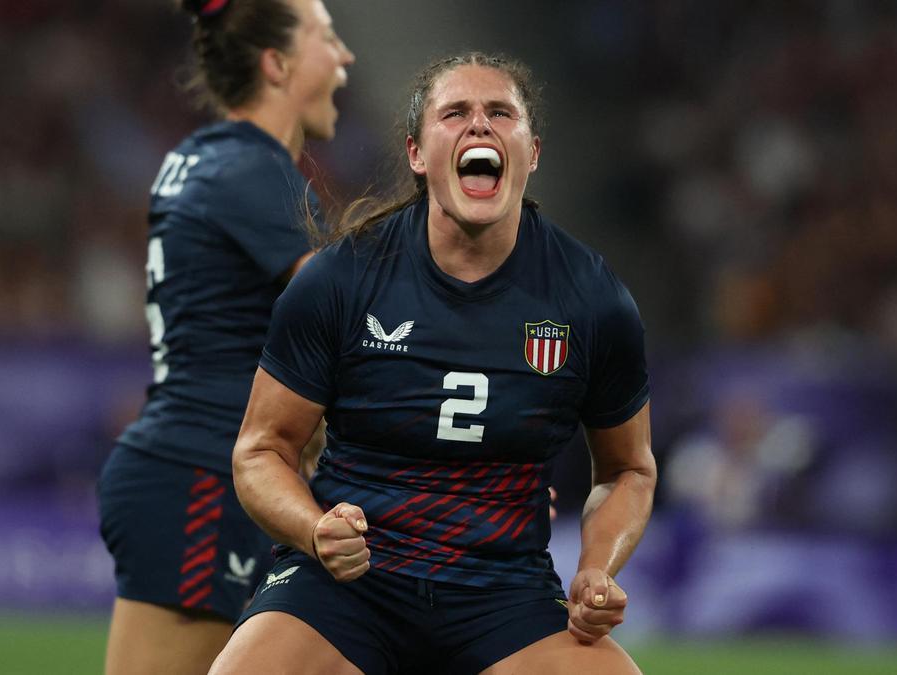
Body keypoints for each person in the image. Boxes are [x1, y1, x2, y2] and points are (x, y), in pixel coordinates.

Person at [211, 52, 656, 675]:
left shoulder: (592, 299)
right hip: (349, 588)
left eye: (501, 113)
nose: (480, 126)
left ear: (532, 153)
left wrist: (594, 570)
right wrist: (315, 530)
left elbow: (629, 469)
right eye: (457, 113)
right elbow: (259, 452)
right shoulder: (341, 279)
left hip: (504, 595)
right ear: (418, 154)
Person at [95, 1, 353, 673]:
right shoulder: (254, 171)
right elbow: (346, 333)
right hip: (202, 479)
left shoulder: (198, 157)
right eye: (327, 38)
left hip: (199, 471)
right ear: (277, 64)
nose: (346, 57)